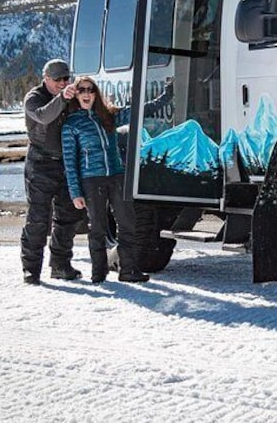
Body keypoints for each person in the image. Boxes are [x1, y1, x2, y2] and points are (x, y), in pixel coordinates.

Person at [61, 76, 173, 283]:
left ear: (96, 93)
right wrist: (75, 192)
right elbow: (70, 162)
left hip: (116, 176)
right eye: (82, 90)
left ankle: (128, 270)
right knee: (97, 228)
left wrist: (167, 96)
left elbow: (140, 111)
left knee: (128, 223)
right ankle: (98, 273)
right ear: (76, 95)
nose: (86, 94)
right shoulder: (71, 124)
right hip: (91, 179)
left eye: (90, 90)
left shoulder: (108, 116)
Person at [20, 59, 86, 285]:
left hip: (67, 163)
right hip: (40, 164)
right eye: (58, 79)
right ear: (46, 78)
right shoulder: (34, 97)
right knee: (38, 218)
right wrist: (63, 98)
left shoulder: (70, 94)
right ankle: (31, 269)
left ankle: (60, 265)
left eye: (66, 78)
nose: (63, 82)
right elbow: (44, 116)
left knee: (69, 216)